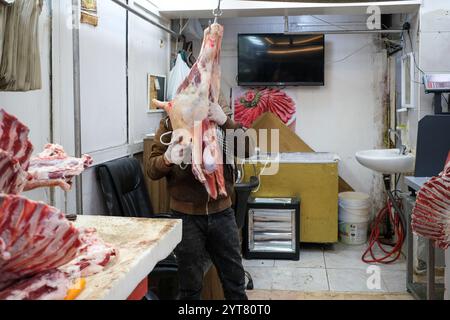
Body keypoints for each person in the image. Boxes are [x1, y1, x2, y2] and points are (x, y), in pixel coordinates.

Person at [147, 101, 252, 300]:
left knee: (235, 283)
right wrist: (167, 158)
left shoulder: (220, 115)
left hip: (223, 214)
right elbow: (151, 169)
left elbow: (247, 150)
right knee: (190, 288)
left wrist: (225, 120)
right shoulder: (171, 122)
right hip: (186, 218)